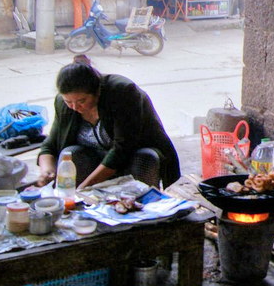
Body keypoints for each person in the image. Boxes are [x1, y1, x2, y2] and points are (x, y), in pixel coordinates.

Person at [36, 56, 180, 189]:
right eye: (69, 102)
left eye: (82, 101)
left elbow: (122, 150)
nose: (75, 107)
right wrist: (46, 169)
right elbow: (50, 145)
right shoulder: (64, 104)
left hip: (131, 157)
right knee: (71, 154)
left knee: (146, 157)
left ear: (97, 91)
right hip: (93, 160)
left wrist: (84, 189)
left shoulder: (122, 92)